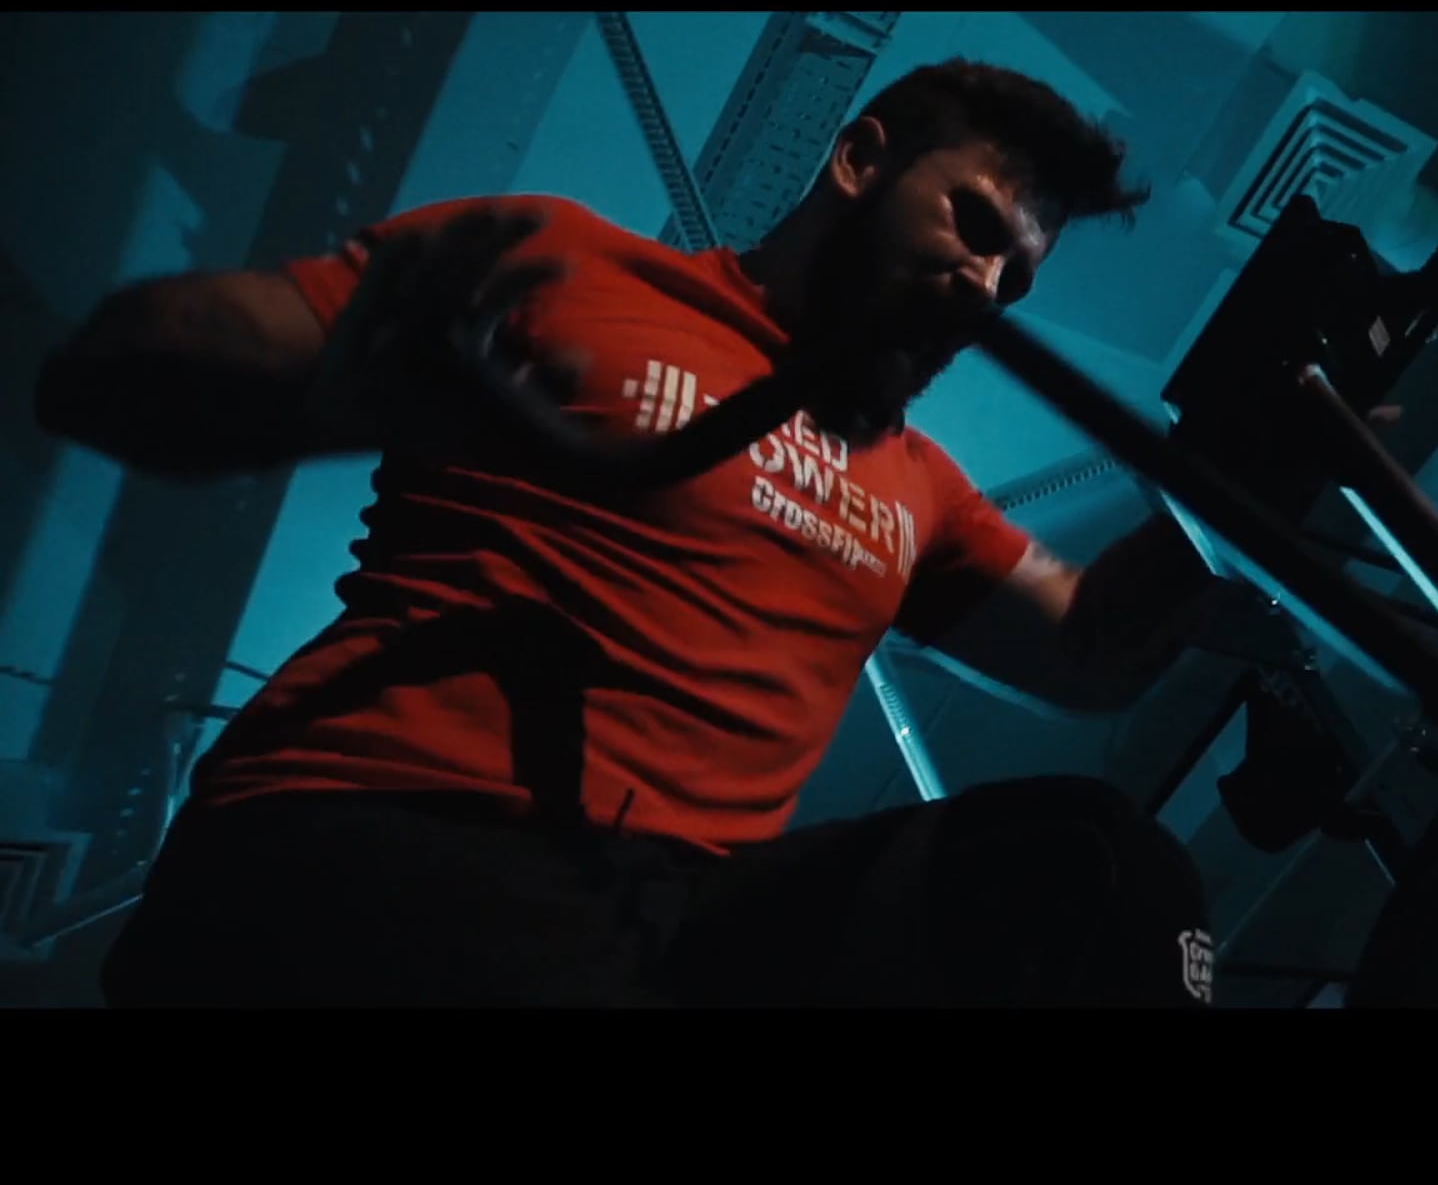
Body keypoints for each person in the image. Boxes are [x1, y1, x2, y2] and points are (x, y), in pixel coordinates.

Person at [33, 58, 1246, 1008]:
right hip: (376, 835)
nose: (986, 286)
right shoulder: (574, 267)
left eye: (1016, 279)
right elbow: (117, 366)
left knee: (1094, 876)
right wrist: (327, 394)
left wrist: (1260, 467)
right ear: (860, 159)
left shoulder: (921, 485)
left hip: (658, 922)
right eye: (974, 225)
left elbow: (1089, 649)